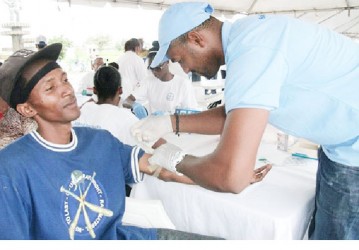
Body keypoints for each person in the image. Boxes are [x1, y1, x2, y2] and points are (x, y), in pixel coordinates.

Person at [131, 2, 359, 240]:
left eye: (179, 59)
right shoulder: (248, 37)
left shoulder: (252, 51)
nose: (185, 70)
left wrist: (171, 157)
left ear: (196, 39)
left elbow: (232, 176)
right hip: (337, 145)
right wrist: (170, 122)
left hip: (353, 151)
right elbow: (234, 114)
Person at [0, 43, 226, 240]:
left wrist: (220, 173)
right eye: (50, 88)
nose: (67, 91)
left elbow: (162, 167)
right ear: (27, 108)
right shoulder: (11, 169)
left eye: (65, 80)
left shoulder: (99, 141)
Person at [123, 50, 198, 116]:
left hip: (175, 129)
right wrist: (135, 105)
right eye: (152, 68)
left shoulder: (183, 84)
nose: (154, 72)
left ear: (167, 62)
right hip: (154, 126)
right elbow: (126, 101)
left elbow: (191, 114)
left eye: (158, 68)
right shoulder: (148, 81)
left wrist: (169, 117)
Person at [117, 38, 147, 104]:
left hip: (119, 96)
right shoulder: (137, 59)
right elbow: (144, 80)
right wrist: (135, 96)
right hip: (131, 97)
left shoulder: (119, 58)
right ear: (137, 48)